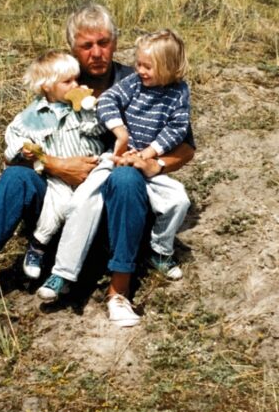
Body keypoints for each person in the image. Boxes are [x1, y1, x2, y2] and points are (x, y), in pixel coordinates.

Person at [0, 3, 194, 335]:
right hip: (61, 205)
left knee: (126, 177)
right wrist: (56, 165)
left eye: (104, 42)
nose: (97, 53)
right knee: (16, 177)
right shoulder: (61, 78)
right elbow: (17, 148)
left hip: (116, 209)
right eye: (87, 45)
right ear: (73, 48)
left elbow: (186, 147)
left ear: (115, 42)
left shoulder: (143, 78)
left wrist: (153, 163)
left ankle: (119, 292)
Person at [36, 30, 191, 316]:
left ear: (168, 67)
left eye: (147, 66)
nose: (140, 70)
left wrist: (150, 154)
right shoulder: (133, 83)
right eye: (139, 63)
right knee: (82, 202)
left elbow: (179, 129)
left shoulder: (179, 93)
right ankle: (63, 273)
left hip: (146, 165)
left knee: (179, 200)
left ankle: (161, 250)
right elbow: (107, 101)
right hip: (116, 158)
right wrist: (120, 132)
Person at [2, 50, 105, 281]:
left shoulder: (79, 109)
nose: (75, 85)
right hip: (59, 177)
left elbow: (97, 130)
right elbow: (13, 138)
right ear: (47, 86)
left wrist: (89, 109)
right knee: (57, 206)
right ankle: (38, 247)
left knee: (90, 205)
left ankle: (82, 262)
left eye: (76, 79)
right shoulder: (31, 116)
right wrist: (24, 149)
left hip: (93, 168)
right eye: (67, 81)